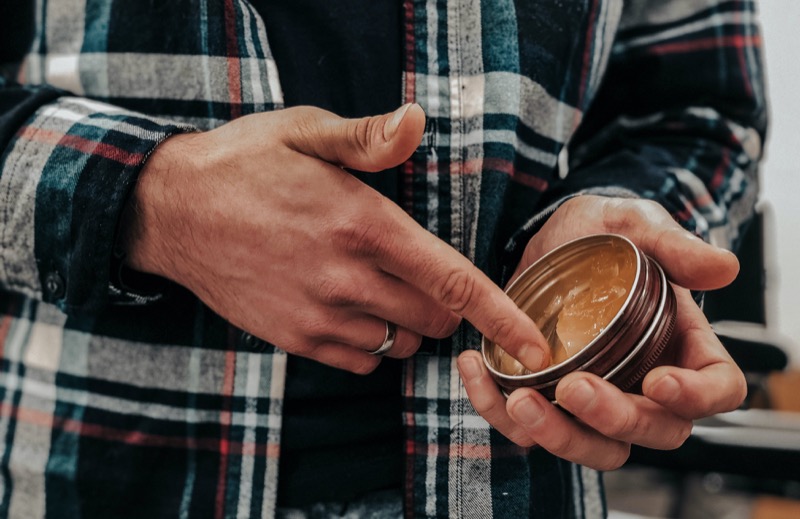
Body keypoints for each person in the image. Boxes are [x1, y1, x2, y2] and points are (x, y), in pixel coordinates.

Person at [0, 0, 766, 517]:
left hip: (518, 483)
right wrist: (145, 199)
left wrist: (621, 235)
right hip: (104, 476)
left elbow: (697, 117)